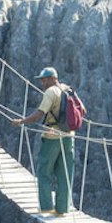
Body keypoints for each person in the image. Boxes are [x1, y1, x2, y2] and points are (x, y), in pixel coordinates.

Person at [16, 66, 80, 215]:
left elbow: (39, 114)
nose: (42, 83)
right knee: (65, 173)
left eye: (44, 80)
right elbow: (82, 110)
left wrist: (22, 121)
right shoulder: (68, 89)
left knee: (44, 171)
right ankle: (62, 208)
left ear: (53, 78)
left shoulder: (51, 92)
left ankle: (46, 207)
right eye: (41, 80)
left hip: (52, 137)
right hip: (69, 137)